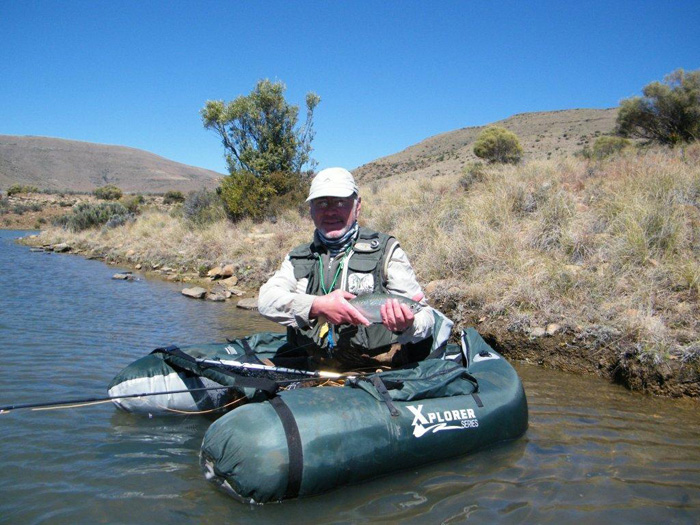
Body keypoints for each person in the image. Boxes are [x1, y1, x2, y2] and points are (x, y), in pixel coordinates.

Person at [258, 167, 450, 371]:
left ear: (357, 206)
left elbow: (426, 317)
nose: (330, 211)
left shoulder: (387, 250)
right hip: (313, 367)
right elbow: (266, 301)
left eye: (341, 202)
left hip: (375, 371)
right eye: (321, 203)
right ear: (311, 210)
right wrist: (318, 306)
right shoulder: (298, 256)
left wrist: (408, 325)